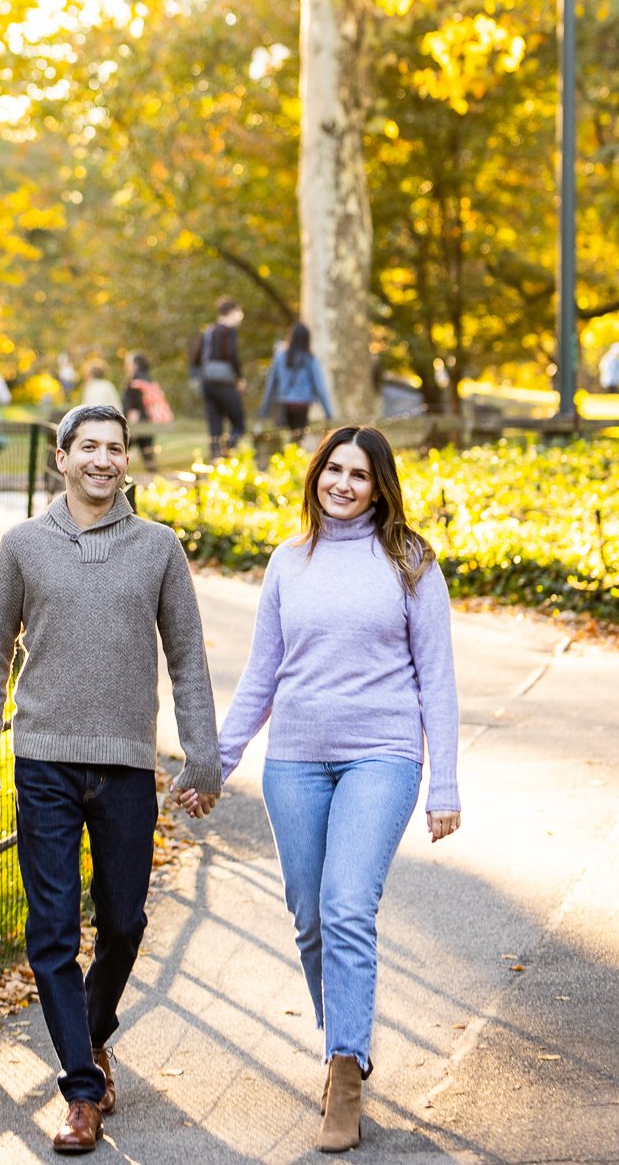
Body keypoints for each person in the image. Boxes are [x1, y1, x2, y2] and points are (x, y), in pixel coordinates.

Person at [185, 425, 460, 1153]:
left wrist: (445, 786)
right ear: (315, 476)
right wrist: (218, 759)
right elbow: (261, 674)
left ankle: (344, 1069)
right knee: (308, 916)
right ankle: (341, 1038)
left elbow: (437, 680)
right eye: (332, 470)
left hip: (382, 757)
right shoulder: (289, 560)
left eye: (359, 475)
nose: (341, 483)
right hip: (296, 763)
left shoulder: (409, 561)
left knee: (345, 905)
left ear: (380, 486)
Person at [0, 405, 221, 1154]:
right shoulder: (21, 547)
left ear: (127, 461)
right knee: (49, 931)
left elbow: (188, 660)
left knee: (123, 923)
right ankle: (81, 1089)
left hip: (125, 765)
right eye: (88, 447)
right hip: (42, 757)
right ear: (61, 459)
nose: (101, 459)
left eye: (114, 448)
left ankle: (91, 1031)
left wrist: (201, 759)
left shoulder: (158, 548)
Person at [258, 321, 334, 441]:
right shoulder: (310, 359)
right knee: (298, 438)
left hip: (284, 403)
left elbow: (271, 384)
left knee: (286, 438)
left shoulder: (281, 356)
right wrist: (328, 412)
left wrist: (264, 409)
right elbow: (320, 387)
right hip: (301, 404)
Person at [190, 297, 246, 459]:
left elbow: (195, 358)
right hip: (224, 382)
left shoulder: (208, 331)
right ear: (231, 312)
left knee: (215, 422)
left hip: (207, 382)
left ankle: (216, 456)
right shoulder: (228, 332)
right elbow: (232, 354)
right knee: (238, 421)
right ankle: (228, 450)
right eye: (239, 312)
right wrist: (240, 377)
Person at [122, 351, 173, 469]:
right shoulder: (149, 380)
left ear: (135, 365)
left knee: (121, 452)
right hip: (149, 423)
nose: (126, 366)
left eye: (128, 363)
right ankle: (155, 480)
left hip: (137, 424)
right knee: (148, 456)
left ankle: (122, 481)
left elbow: (133, 409)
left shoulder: (135, 382)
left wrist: (132, 428)